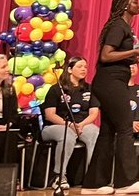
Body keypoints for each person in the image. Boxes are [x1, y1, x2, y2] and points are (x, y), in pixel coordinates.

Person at [83, 0, 139, 194]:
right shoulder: (118, 26)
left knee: (107, 132)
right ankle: (127, 181)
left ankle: (94, 184)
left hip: (111, 82)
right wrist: (134, 51)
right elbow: (106, 56)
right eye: (135, 2)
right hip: (110, 83)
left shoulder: (125, 27)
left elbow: (118, 57)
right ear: (125, 5)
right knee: (125, 127)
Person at [42, 56, 101, 190]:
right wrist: (69, 125)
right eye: (80, 66)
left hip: (82, 124)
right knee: (67, 135)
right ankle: (59, 176)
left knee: (95, 134)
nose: (83, 69)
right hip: (57, 126)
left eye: (85, 67)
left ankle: (92, 176)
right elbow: (50, 115)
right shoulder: (57, 89)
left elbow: (93, 113)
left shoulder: (89, 89)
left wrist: (81, 125)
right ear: (69, 69)